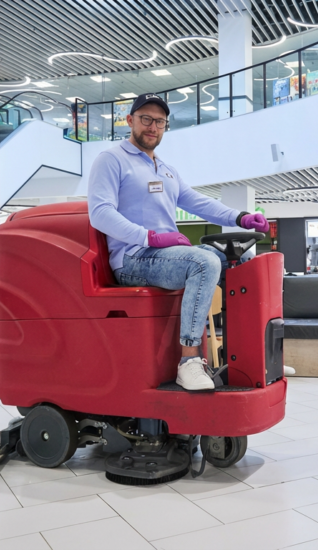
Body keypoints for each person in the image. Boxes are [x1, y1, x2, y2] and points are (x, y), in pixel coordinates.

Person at [87, 93, 269, 391]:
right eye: (146, 119)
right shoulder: (111, 160)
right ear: (130, 120)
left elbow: (196, 202)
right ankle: (189, 361)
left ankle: (248, 354)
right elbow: (100, 214)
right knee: (205, 260)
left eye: (160, 122)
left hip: (167, 257)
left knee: (244, 259)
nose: (152, 127)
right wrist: (150, 237)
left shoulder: (166, 168)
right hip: (134, 258)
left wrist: (240, 217)